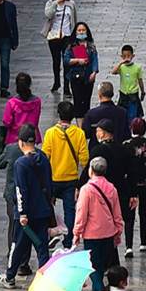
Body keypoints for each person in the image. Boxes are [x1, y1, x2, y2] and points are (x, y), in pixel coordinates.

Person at [10, 125, 57, 283]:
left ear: (21, 143)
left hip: (27, 215)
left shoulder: (21, 163)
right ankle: (44, 278)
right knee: (42, 247)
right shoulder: (43, 157)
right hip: (42, 211)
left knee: (18, 246)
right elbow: (50, 183)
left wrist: (22, 213)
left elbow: (20, 190)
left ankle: (10, 276)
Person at [44, 101, 91, 248]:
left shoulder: (51, 133)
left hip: (53, 178)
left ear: (59, 115)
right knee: (70, 211)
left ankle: (50, 233)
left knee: (47, 208)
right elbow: (84, 160)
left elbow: (45, 156)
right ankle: (68, 240)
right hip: (71, 179)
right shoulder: (79, 133)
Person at [76, 157, 127, 291]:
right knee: (102, 266)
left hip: (91, 236)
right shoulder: (112, 188)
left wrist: (77, 232)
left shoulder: (86, 190)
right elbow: (117, 214)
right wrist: (118, 232)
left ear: (91, 170)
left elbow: (81, 213)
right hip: (108, 234)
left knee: (93, 268)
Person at [125, 117, 146, 256]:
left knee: (129, 214)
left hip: (131, 183)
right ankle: (143, 242)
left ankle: (128, 245)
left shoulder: (126, 144)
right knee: (144, 212)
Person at [2, 72, 43, 157]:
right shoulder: (37, 102)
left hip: (14, 138)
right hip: (31, 138)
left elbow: (7, 122)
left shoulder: (12, 103)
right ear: (29, 84)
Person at [45, 0, 76, 92]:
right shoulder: (50, 3)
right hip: (54, 36)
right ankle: (56, 82)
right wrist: (55, 3)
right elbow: (48, 15)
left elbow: (74, 20)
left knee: (67, 61)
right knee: (56, 61)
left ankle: (67, 87)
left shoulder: (71, 4)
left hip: (66, 36)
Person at [66, 23, 101, 114]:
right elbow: (66, 60)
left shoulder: (91, 45)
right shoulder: (72, 46)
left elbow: (94, 59)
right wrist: (77, 60)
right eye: (79, 30)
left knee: (86, 101)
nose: (81, 32)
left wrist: (94, 72)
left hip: (88, 77)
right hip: (76, 77)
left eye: (83, 30)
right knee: (78, 102)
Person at [113, 45, 145, 121]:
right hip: (123, 95)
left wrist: (143, 92)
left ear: (133, 56)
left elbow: (140, 81)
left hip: (133, 95)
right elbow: (113, 72)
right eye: (124, 56)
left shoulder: (137, 67)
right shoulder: (121, 67)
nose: (126, 58)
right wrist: (121, 63)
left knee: (132, 116)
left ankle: (131, 130)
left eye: (128, 56)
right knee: (122, 115)